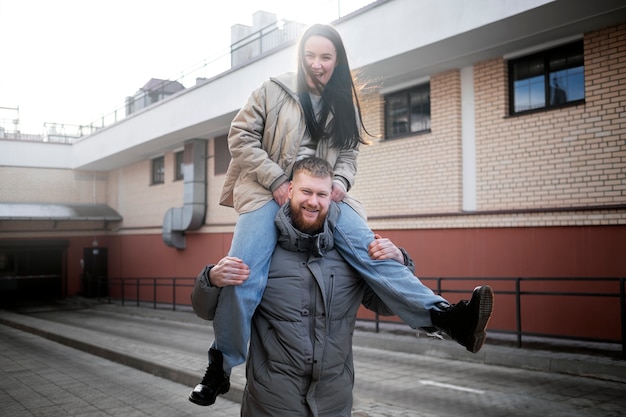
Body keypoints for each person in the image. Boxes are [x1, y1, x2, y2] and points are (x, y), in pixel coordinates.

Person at [190, 158, 494, 415]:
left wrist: (401, 259)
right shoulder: (259, 252)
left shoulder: (349, 253)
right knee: (238, 279)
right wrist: (212, 278)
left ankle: (449, 319)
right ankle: (220, 369)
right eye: (306, 191)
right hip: (273, 402)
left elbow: (385, 303)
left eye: (321, 194)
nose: (313, 201)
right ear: (289, 190)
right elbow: (205, 310)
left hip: (333, 401)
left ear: (333, 196)